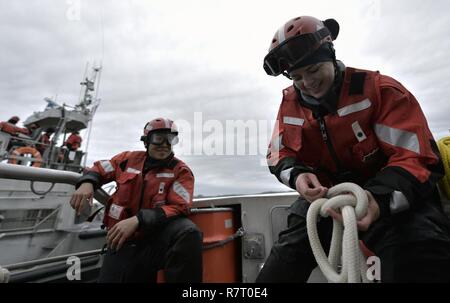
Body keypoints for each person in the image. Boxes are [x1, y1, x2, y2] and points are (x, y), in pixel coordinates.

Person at [257, 16, 450, 283]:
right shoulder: (290, 104)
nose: (307, 83)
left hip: (392, 197)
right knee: (280, 265)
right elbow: (280, 153)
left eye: (313, 70)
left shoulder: (381, 92)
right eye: (297, 77)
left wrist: (377, 200)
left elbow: (418, 159)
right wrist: (299, 176)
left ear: (331, 55)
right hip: (326, 197)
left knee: (419, 255)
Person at [70, 118, 203, 283]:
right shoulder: (127, 160)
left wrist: (139, 220)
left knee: (189, 232)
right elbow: (100, 168)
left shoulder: (180, 171)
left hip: (153, 242)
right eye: (158, 138)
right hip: (121, 241)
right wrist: (87, 182)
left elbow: (179, 206)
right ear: (147, 141)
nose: (165, 144)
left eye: (170, 139)